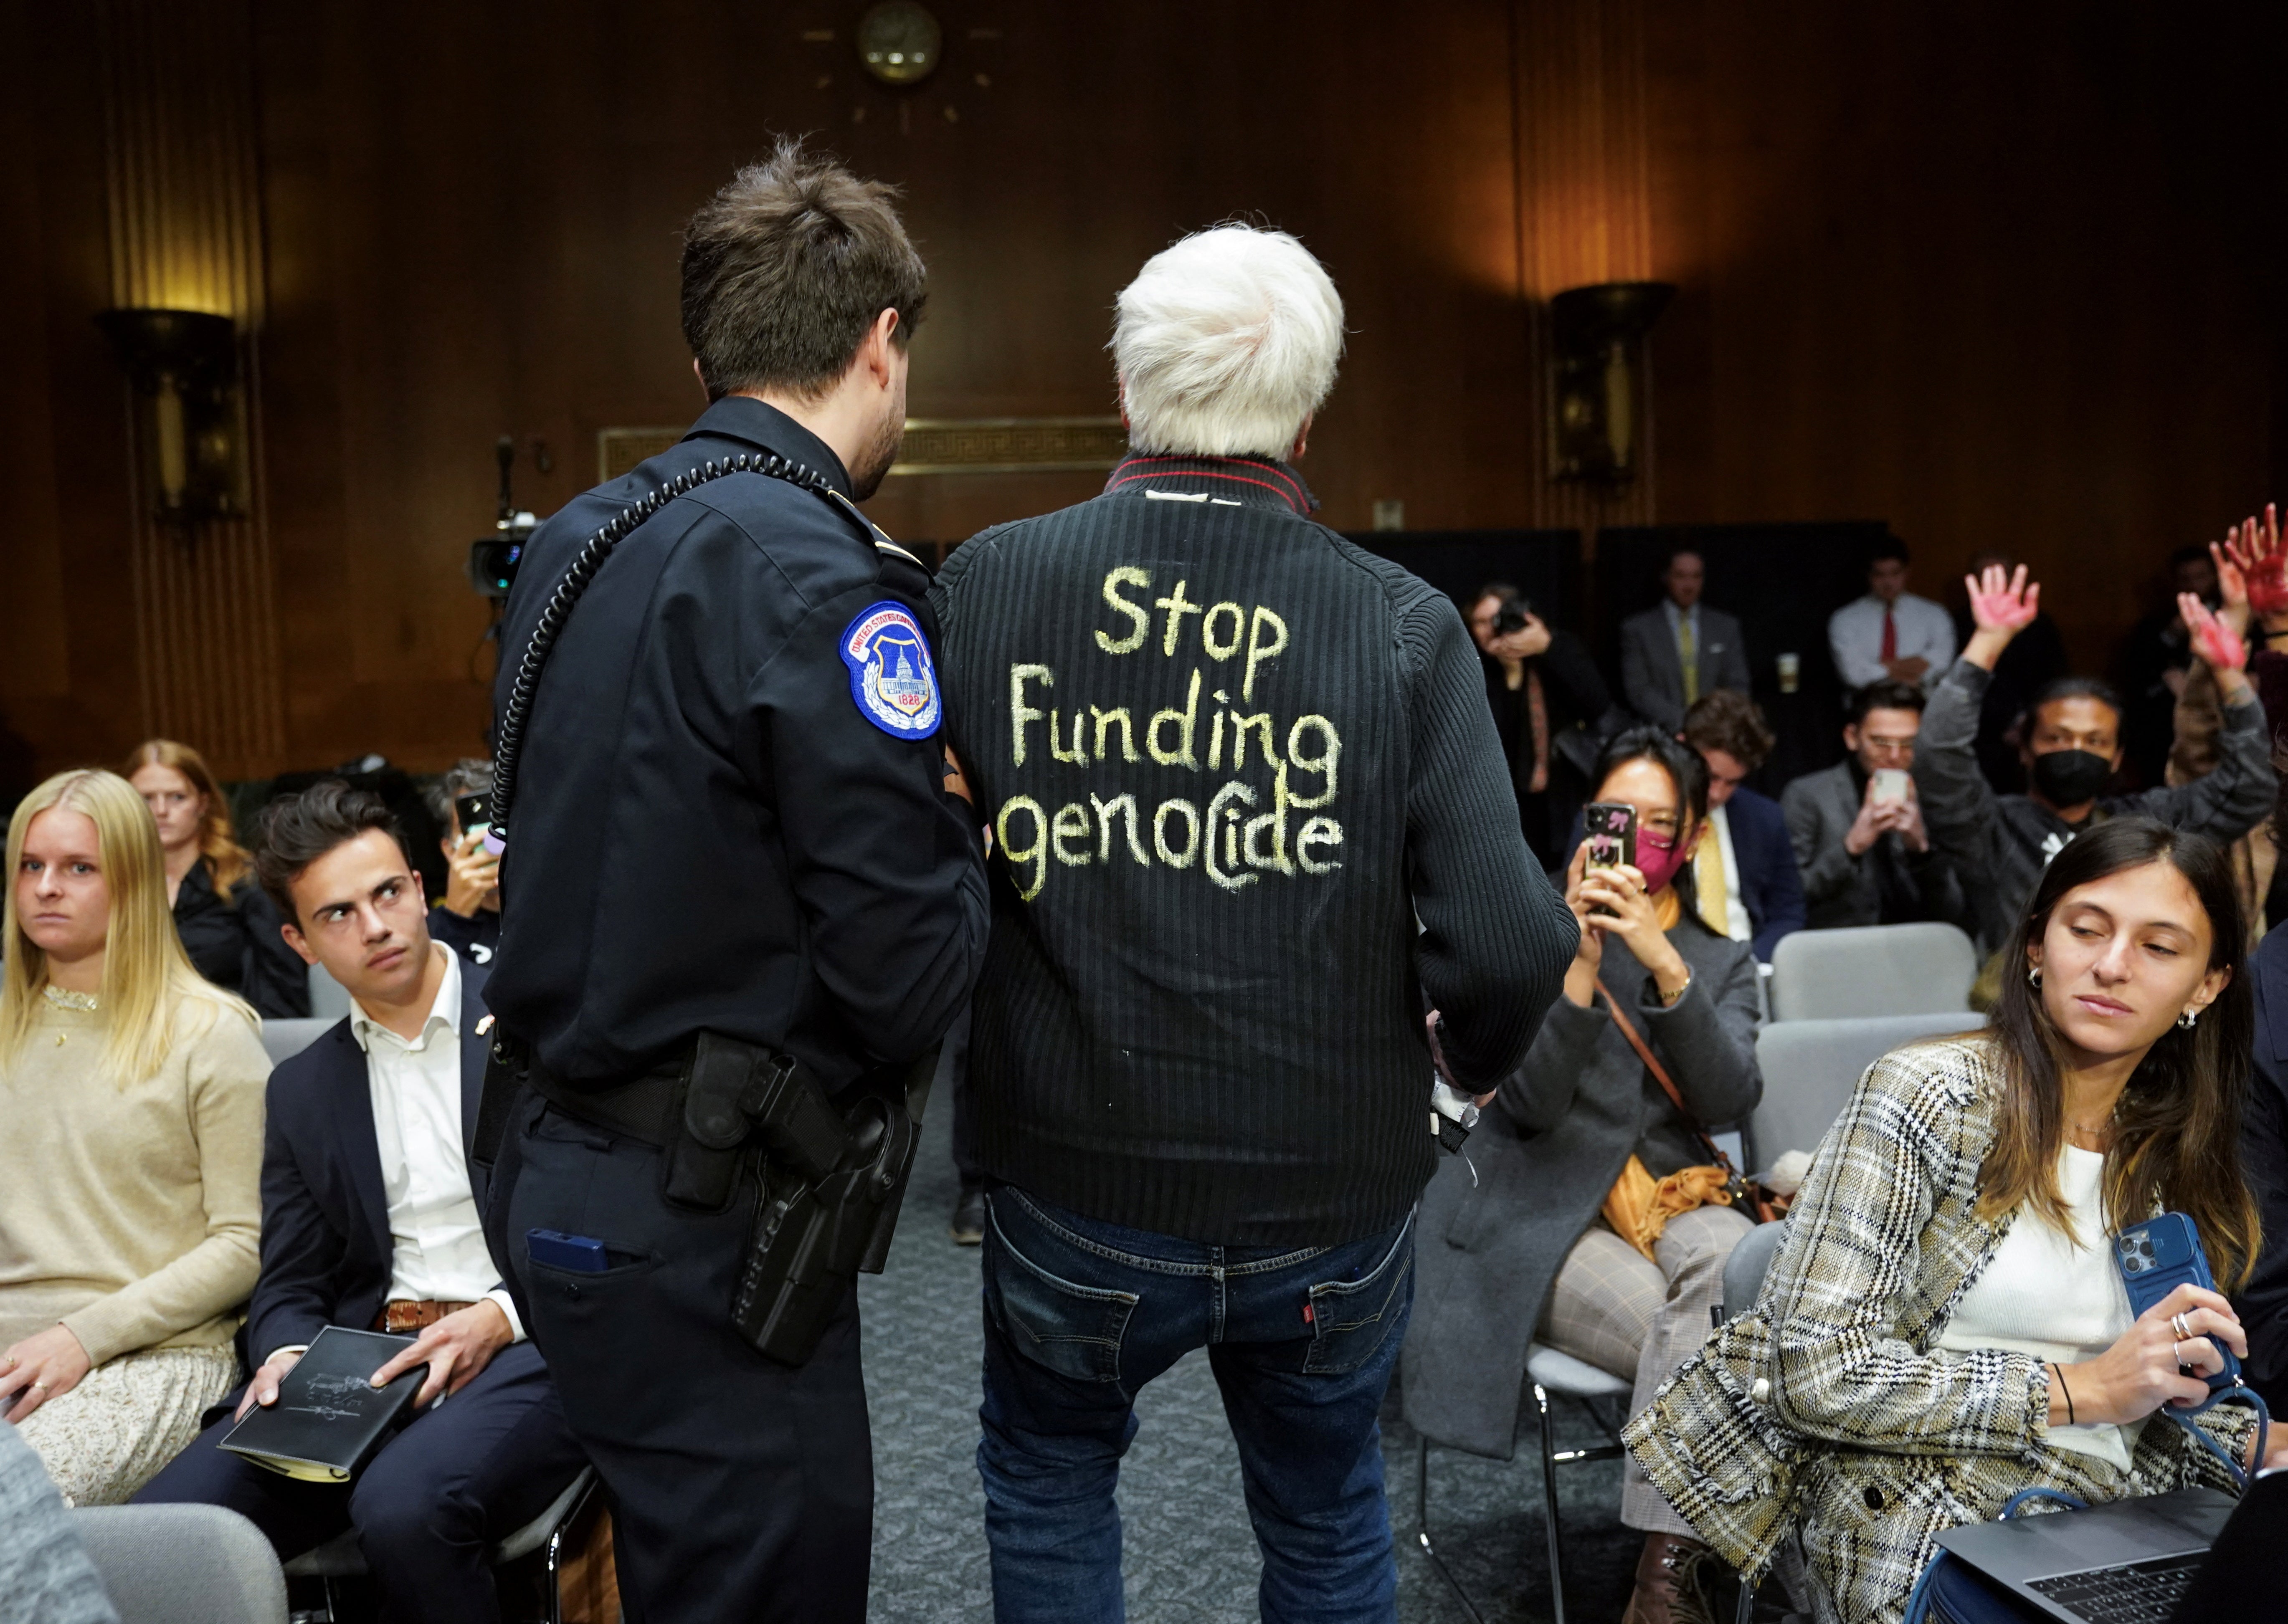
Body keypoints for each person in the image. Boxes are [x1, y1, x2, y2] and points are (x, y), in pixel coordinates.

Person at [929, 223, 1574, 1623]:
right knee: (1324, 1514)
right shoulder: (1398, 627)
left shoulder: (979, 587)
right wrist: (1454, 1078)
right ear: (1304, 406)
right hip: (1329, 1199)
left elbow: (914, 882)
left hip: (1070, 1182)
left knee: (1047, 1482)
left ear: (1124, 387)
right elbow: (1517, 941)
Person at [478, 141, 988, 1621]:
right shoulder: (830, 579)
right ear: (882, 343)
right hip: (699, 1221)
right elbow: (905, 980)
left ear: (699, 350)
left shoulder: (577, 539)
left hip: (549, 1166)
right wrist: (962, 832)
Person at [1627, 817, 2285, 1624]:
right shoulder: (1928, 1097)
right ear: (2037, 945)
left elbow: (2145, 1381)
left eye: (2158, 948)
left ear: (2206, 985)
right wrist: (2077, 1391)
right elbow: (1810, 1372)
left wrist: (2250, 1435)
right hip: (1922, 1508)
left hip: (2125, 1509)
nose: (2111, 966)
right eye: (2085, 930)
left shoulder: (2172, 1137)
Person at [137, 782, 585, 1621]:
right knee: (164, 1534)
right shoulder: (304, 1088)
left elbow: (600, 1217)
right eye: (337, 915)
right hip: (367, 1365)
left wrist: (498, 1315)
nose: (375, 926)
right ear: (299, 943)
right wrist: (285, 1352)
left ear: (420, 891)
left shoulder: (540, 1025)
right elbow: (289, 1282)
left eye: (386, 894)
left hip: (531, 1343)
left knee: (404, 1506)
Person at [1407, 728, 1762, 1624]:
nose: (1636, 838)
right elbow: (1524, 1104)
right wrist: (1576, 964)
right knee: (1707, 1347)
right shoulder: (1529, 935)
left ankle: (1661, 1567)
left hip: (1680, 1192)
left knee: (1735, 1289)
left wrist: (1665, 963)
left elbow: (1727, 1099)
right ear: (1585, 825)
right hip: (1545, 1205)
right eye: (1617, 818)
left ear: (1686, 841)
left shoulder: (1718, 957)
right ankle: (1686, 1573)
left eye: (1659, 824)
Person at [0, 770, 265, 1505]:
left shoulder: (210, 1034)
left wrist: (84, 1335)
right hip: (10, 1355)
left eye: (79, 868)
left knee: (10, 1513)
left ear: (134, 882)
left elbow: (245, 1244)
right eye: (32, 866)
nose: (47, 887)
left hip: (152, 1356)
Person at [1920, 562, 2274, 953]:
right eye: (2057, 737)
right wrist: (1986, 643)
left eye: (2095, 741)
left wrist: (2228, 674)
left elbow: (2249, 788)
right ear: (2024, 749)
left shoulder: (2147, 823)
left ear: (2117, 757)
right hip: (2018, 1009)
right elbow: (1939, 754)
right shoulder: (1987, 828)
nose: (2076, 750)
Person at [124, 739, 308, 1017]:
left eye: (176, 797)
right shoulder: (115, 886)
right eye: (146, 799)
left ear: (203, 803)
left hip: (235, 1039)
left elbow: (283, 996)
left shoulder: (248, 881)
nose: (160, 811)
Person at [1781, 680, 1972, 932]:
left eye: (1908, 744)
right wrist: (1851, 848)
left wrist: (1921, 853)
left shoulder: (1938, 798)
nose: (1894, 756)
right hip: (1836, 947)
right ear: (1852, 737)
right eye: (1881, 742)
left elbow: (1956, 910)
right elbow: (1788, 897)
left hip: (1917, 946)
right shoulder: (1808, 795)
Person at [1466, 581, 1613, 869]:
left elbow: (1597, 704)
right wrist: (1510, 674)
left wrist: (1547, 647)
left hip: (1562, 796)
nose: (1491, 630)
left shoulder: (1557, 650)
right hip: (1502, 804)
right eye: (1480, 622)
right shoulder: (1472, 667)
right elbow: (1489, 738)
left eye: (1498, 619)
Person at [1678, 690, 1805, 962]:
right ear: (1680, 747)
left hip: (1750, 964)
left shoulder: (1765, 818)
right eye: (1710, 777)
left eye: (1732, 782)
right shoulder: (1643, 814)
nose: (1717, 793)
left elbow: (1788, 912)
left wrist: (1751, 967)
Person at [1950, 551, 2068, 795]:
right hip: (1981, 732)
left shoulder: (2039, 623)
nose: (1996, 582)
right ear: (1973, 580)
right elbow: (1959, 683)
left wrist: (2029, 720)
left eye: (2002, 575)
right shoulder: (1959, 624)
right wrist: (2002, 723)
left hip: (2037, 725)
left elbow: (2056, 678)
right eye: (1987, 575)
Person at [2115, 544, 2222, 790]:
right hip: (2165, 732)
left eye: (2201, 577)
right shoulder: (2156, 623)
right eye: (2186, 579)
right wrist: (2172, 634)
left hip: (2219, 724)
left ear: (2215, 577)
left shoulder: (2236, 618)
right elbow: (2139, 672)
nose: (2194, 585)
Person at [1620, 547, 1751, 732]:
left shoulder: (1725, 627)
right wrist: (1684, 722)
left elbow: (1738, 685)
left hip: (1716, 733)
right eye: (1681, 576)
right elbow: (1639, 690)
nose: (1689, 585)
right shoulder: (1639, 630)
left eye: (1696, 577)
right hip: (1661, 734)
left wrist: (1712, 722)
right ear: (1666, 578)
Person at [1827, 536, 1954, 694]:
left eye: (1895, 574)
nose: (1888, 583)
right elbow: (1855, 675)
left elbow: (1941, 664)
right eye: (1879, 575)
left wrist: (1883, 667)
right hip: (1867, 711)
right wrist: (1912, 668)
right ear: (1868, 575)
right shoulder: (1845, 620)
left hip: (1923, 708)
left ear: (1907, 572)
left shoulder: (1935, 615)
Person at [422, 758, 499, 965]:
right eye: (473, 825)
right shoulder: (426, 931)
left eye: (499, 822)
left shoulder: (554, 908)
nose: (489, 839)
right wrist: (455, 917)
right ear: (449, 850)